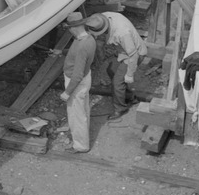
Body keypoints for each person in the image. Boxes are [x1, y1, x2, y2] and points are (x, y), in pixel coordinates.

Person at [83, 12, 147, 121]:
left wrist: (129, 74)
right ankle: (129, 97)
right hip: (123, 51)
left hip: (135, 54)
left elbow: (134, 55)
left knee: (117, 83)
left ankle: (120, 108)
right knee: (111, 70)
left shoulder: (122, 33)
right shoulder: (101, 19)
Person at [60, 12, 97, 153]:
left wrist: (67, 92)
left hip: (76, 83)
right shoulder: (87, 38)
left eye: (69, 28)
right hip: (86, 78)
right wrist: (62, 52)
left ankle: (80, 146)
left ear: (73, 28)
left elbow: (77, 75)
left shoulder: (82, 46)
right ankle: (82, 139)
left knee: (76, 115)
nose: (69, 30)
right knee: (83, 109)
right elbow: (76, 54)